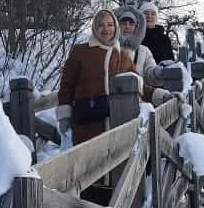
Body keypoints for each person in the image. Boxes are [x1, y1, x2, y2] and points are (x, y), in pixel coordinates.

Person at [56, 8, 170, 145]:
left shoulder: (122, 57)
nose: (106, 29)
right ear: (94, 27)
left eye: (110, 25)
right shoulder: (80, 52)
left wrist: (163, 95)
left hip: (117, 125)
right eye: (100, 25)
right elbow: (66, 86)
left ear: (115, 27)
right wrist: (64, 116)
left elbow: (138, 86)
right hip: (86, 125)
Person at [116, 5, 165, 85]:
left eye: (131, 24)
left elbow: (149, 73)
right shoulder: (109, 48)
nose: (127, 27)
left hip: (137, 95)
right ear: (117, 26)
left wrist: (157, 73)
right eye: (123, 23)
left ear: (137, 27)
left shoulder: (144, 51)